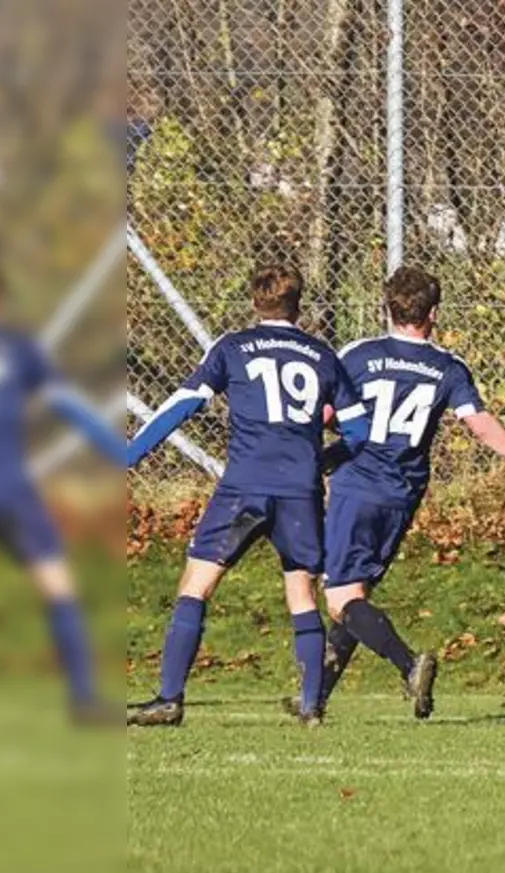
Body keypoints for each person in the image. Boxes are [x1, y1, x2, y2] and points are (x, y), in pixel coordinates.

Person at [297, 264, 505, 719]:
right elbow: (479, 423)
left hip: (357, 486)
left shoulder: (358, 354)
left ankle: (409, 664)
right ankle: (313, 701)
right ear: (433, 313)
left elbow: (324, 413)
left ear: (387, 308)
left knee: (341, 599)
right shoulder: (446, 367)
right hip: (402, 494)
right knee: (355, 595)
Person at [125, 264, 367, 726]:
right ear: (299, 305)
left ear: (255, 302)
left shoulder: (233, 347)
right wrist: (324, 461)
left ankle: (170, 699)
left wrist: (131, 454)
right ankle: (312, 707)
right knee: (302, 591)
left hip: (245, 485)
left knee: (197, 584)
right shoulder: (321, 355)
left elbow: (184, 403)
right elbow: (360, 431)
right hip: (300, 489)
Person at [0, 257, 126, 721]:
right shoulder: (15, 349)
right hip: (4, 481)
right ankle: (83, 697)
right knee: (56, 581)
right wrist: (116, 448)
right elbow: (67, 405)